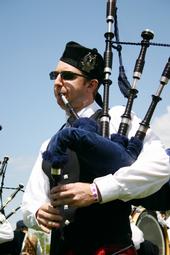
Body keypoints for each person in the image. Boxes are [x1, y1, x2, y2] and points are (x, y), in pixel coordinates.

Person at [21, 41, 170, 255]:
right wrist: (36, 213)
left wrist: (96, 191)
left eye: (68, 76)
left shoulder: (118, 119)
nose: (58, 82)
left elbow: (161, 167)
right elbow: (31, 200)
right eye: (55, 75)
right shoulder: (49, 143)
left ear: (91, 85)